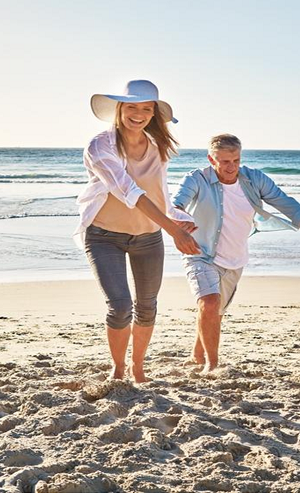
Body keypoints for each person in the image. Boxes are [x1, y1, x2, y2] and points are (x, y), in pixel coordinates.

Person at [171, 134, 300, 374]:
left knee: (215, 311)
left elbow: (287, 204)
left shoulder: (254, 179)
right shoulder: (196, 179)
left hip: (234, 258)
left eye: (235, 160)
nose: (231, 167)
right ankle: (211, 365)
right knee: (209, 302)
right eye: (224, 161)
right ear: (211, 159)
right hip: (199, 252)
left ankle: (197, 354)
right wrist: (179, 226)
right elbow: (176, 205)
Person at [74, 80, 200, 383]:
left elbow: (158, 191)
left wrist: (176, 217)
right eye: (132, 107)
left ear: (154, 113)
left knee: (147, 307)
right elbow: (127, 191)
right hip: (104, 236)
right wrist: (174, 231)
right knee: (119, 307)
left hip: (148, 236)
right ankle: (118, 368)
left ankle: (138, 368)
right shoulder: (100, 146)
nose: (138, 114)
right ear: (119, 108)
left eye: (146, 109)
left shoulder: (159, 146)